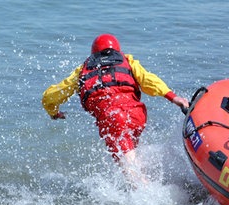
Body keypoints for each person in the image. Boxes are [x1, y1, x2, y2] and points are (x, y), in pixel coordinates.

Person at [42, 34, 189, 185]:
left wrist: (53, 112)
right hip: (137, 115)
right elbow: (149, 80)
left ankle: (153, 198)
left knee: (130, 171)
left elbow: (51, 95)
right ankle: (153, 182)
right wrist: (174, 98)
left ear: (93, 53)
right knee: (131, 155)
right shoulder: (128, 61)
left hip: (113, 118)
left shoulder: (82, 71)